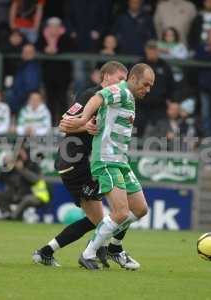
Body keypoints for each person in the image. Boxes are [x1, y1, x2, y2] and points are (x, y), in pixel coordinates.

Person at [33, 61, 141, 269]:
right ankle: (110, 250)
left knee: (102, 219)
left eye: (124, 80)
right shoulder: (90, 95)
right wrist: (85, 125)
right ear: (106, 77)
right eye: (119, 79)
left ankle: (47, 253)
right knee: (116, 212)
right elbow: (64, 122)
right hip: (76, 163)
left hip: (86, 164)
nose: (122, 83)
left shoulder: (118, 99)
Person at [62, 63, 155, 270]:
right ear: (133, 79)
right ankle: (88, 253)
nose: (148, 89)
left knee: (140, 209)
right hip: (106, 160)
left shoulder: (129, 97)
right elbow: (98, 97)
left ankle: (114, 247)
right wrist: (84, 119)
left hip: (121, 160)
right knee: (120, 212)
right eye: (146, 84)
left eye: (151, 86)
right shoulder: (120, 90)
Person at [0, 147, 50, 220]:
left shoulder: (32, 164)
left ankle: (13, 217)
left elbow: (36, 180)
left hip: (33, 194)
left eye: (22, 152)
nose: (19, 155)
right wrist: (5, 166)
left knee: (27, 199)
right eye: (17, 152)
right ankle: (7, 214)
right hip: (16, 195)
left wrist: (22, 170)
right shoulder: (11, 165)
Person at [36, 17, 73, 124]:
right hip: (48, 74)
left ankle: (63, 125)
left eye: (56, 26)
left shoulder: (65, 37)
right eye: (51, 26)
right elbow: (37, 47)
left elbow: (70, 47)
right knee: (50, 100)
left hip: (63, 75)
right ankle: (50, 124)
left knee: (62, 99)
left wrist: (56, 50)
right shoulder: (42, 37)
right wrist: (45, 50)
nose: (54, 29)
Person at [136, 40, 175, 137]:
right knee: (136, 132)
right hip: (141, 104)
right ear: (146, 50)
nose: (152, 52)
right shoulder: (138, 65)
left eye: (154, 50)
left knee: (162, 132)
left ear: (158, 51)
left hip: (159, 105)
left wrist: (173, 101)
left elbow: (172, 86)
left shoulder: (164, 66)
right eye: (150, 50)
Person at [9, 43, 41, 114]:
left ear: (34, 53)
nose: (27, 54)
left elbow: (32, 87)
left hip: (26, 99)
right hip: (17, 97)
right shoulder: (21, 65)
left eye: (30, 52)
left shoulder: (34, 66)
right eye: (25, 52)